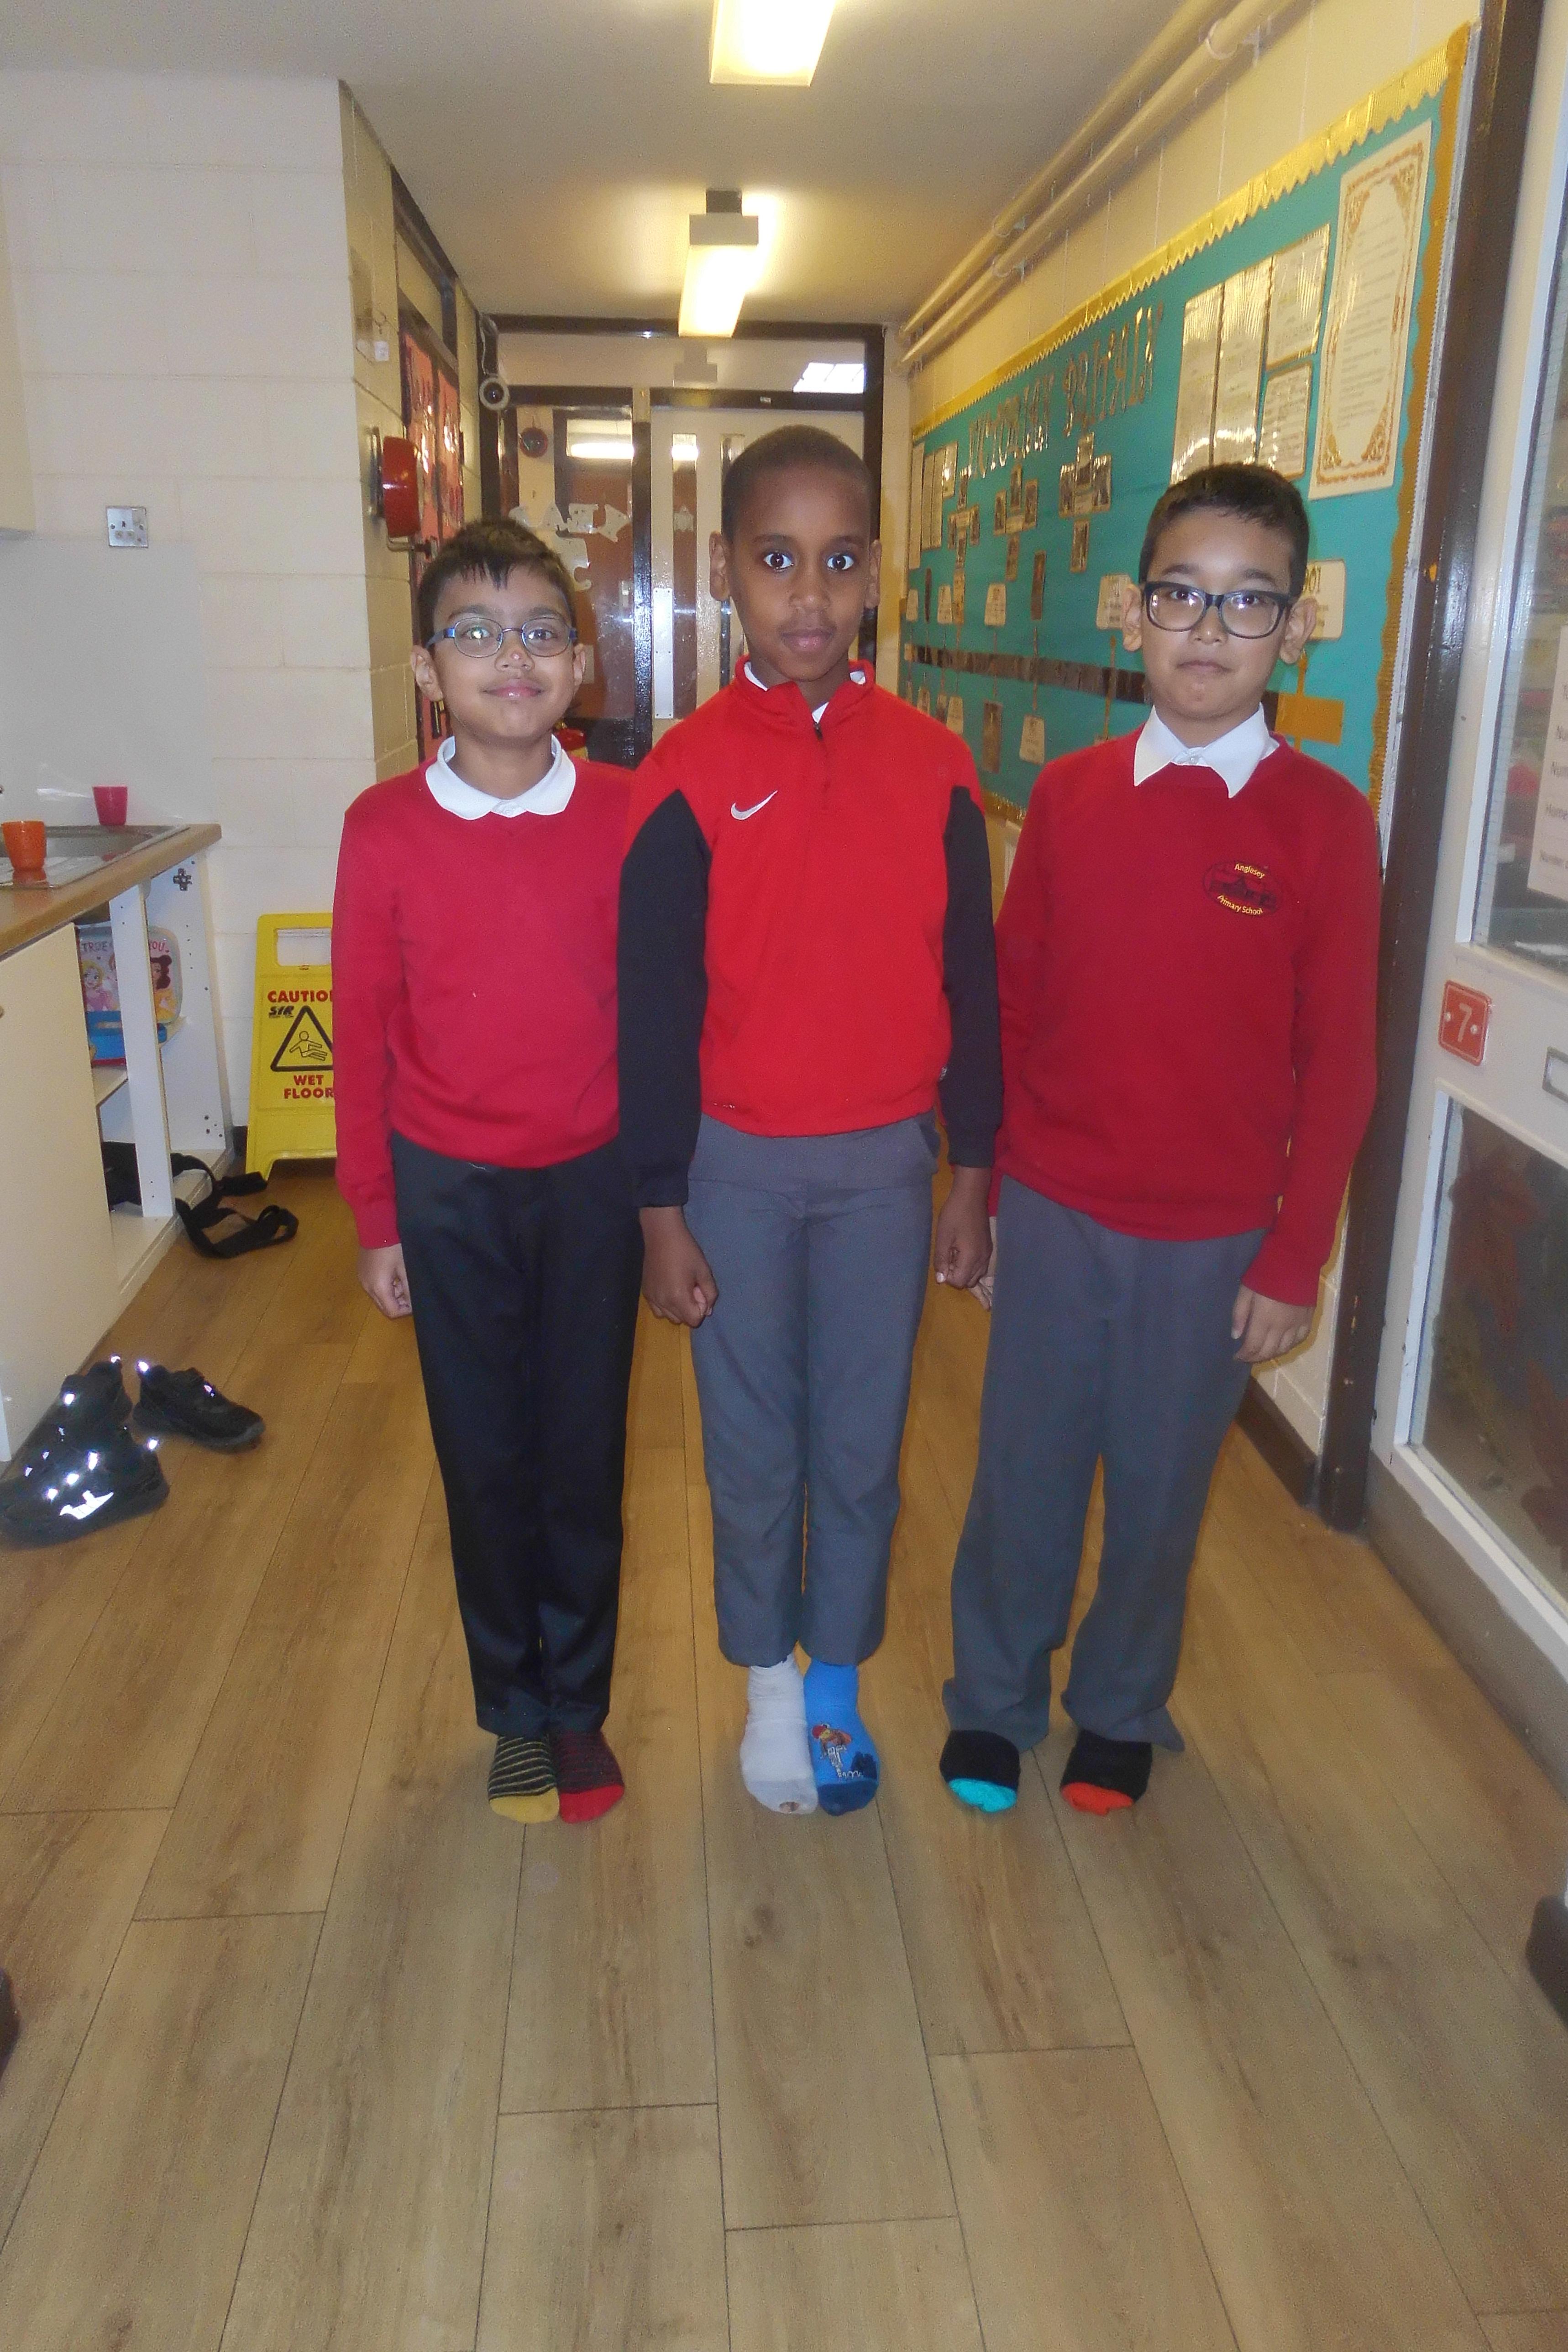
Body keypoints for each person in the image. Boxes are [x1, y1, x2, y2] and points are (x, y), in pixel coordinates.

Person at [940, 463, 1380, 1817]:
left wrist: (1293, 1257)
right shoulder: (1070, 796)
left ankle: (1120, 1706)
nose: (1208, 629)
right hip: (1056, 1207)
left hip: (1214, 1242)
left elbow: (1342, 1061)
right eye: (1181, 595)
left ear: (1294, 628)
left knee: (1159, 1489)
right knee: (1022, 1474)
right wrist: (986, 1186)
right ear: (1133, 611)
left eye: (1250, 603)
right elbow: (1014, 1000)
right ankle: (993, 1699)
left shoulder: (1326, 824)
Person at [619, 425, 1002, 1816]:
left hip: (885, 1170)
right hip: (730, 1172)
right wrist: (658, 1209)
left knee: (856, 1441)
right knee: (752, 1447)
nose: (809, 595)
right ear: (725, 567)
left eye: (839, 563)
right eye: (776, 559)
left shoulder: (937, 766)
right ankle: (767, 1686)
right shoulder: (683, 771)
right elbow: (651, 1012)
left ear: (875, 574)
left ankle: (833, 1677)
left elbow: (972, 985)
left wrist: (973, 1173)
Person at [333, 518, 641, 1827]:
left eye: (539, 634)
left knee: (581, 1455)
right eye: (475, 633)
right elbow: (361, 1031)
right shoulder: (383, 828)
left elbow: (665, 1016)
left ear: (580, 661)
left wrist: (666, 1194)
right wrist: (376, 1217)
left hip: (592, 1185)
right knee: (483, 1459)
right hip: (447, 1188)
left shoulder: (630, 813)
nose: (510, 659)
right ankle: (512, 1706)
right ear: (427, 669)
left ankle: (577, 1704)